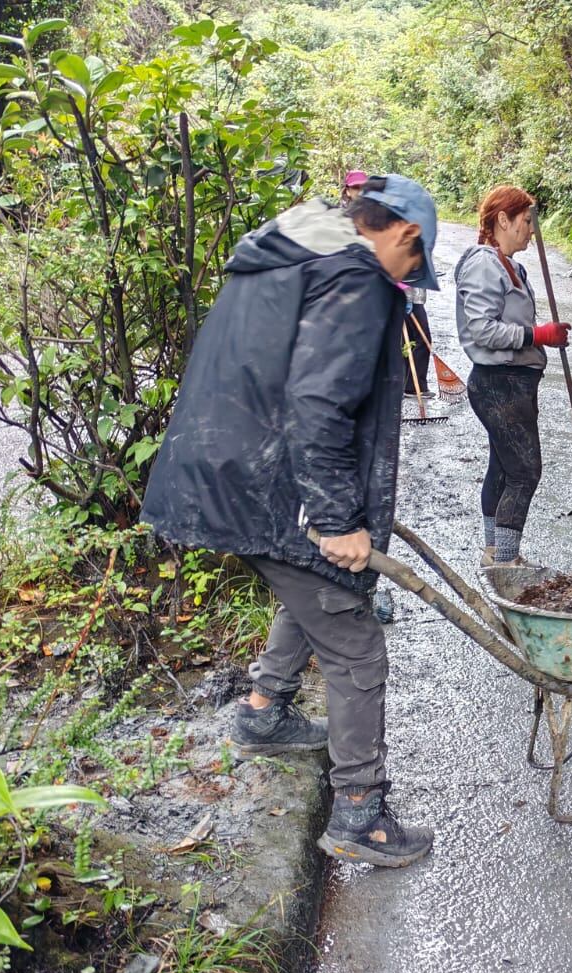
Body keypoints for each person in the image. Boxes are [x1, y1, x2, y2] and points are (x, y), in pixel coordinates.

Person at [142, 175, 439, 869]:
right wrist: (338, 520)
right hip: (271, 481)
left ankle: (263, 710)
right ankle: (361, 814)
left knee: (311, 589)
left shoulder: (293, 253)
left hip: (227, 470)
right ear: (403, 234)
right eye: (413, 266)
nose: (407, 278)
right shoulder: (356, 276)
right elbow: (317, 404)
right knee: (357, 646)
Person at [455, 185, 571, 566]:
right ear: (503, 220)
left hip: (514, 382)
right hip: (498, 383)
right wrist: (536, 335)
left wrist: (541, 335)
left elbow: (508, 322)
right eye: (526, 221)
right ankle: (505, 560)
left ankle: (494, 551)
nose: (531, 230)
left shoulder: (512, 266)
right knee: (525, 471)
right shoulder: (484, 264)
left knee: (504, 467)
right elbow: (481, 331)